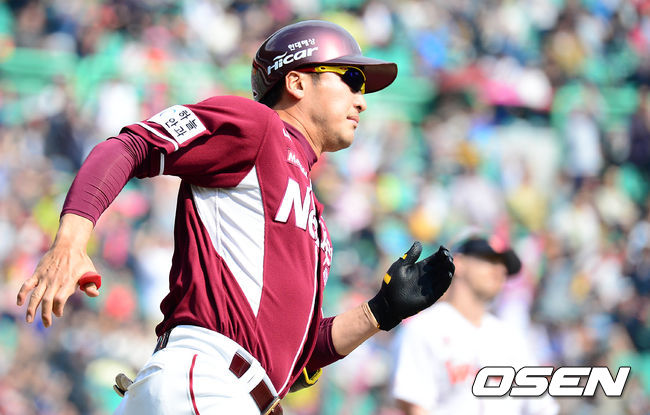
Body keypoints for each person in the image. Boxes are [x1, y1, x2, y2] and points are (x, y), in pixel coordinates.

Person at [16, 20, 455, 415]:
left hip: (230, 391)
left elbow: (296, 356)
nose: (362, 101)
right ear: (297, 81)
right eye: (351, 79)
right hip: (207, 379)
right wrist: (70, 242)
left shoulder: (316, 218)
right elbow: (132, 146)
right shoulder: (258, 127)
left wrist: (380, 312)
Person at [391, 231, 558, 415]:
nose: (500, 270)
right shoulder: (424, 328)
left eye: (503, 264)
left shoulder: (511, 338)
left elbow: (543, 409)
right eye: (490, 259)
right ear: (459, 262)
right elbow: (415, 407)